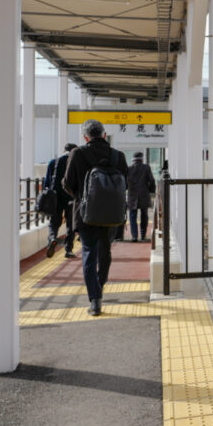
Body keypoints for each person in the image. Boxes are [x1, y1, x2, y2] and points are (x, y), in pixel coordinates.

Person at [62, 119, 128, 316]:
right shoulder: (118, 156)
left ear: (85, 137)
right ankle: (99, 285)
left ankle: (95, 299)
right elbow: (126, 183)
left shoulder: (77, 153)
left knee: (89, 253)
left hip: (85, 214)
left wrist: (82, 198)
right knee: (105, 251)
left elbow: (67, 183)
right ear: (104, 135)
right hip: (112, 214)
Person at [43, 143, 78, 258]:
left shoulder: (53, 162)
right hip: (71, 196)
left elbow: (47, 183)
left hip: (56, 197)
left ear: (64, 150)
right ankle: (68, 250)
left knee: (54, 222)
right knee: (70, 224)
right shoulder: (76, 162)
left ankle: (53, 238)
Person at [127, 151, 156, 242]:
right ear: (142, 159)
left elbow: (125, 182)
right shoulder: (146, 168)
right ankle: (143, 234)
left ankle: (134, 236)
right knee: (144, 215)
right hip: (144, 194)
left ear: (133, 160)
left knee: (132, 216)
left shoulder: (129, 169)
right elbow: (151, 180)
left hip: (132, 195)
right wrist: (151, 190)